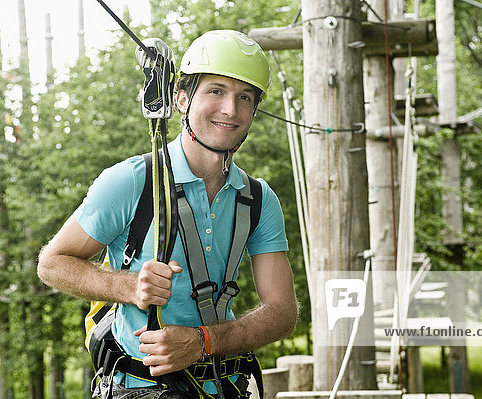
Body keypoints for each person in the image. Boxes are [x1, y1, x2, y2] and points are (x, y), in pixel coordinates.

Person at [37, 30, 298, 398]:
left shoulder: (257, 199)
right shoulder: (133, 181)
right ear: (181, 98)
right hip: (140, 388)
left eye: (245, 97)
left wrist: (202, 341)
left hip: (226, 386)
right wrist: (129, 286)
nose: (230, 109)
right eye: (216, 91)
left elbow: (282, 311)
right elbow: (52, 263)